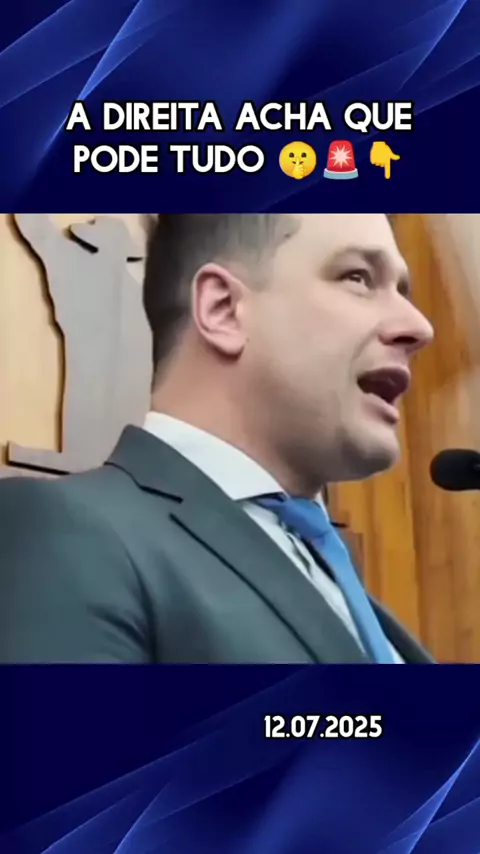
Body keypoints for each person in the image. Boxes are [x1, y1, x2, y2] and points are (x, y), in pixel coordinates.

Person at [0, 214, 434, 663]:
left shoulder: (345, 589)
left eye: (402, 290)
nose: (419, 327)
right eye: (358, 278)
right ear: (222, 309)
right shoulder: (68, 533)